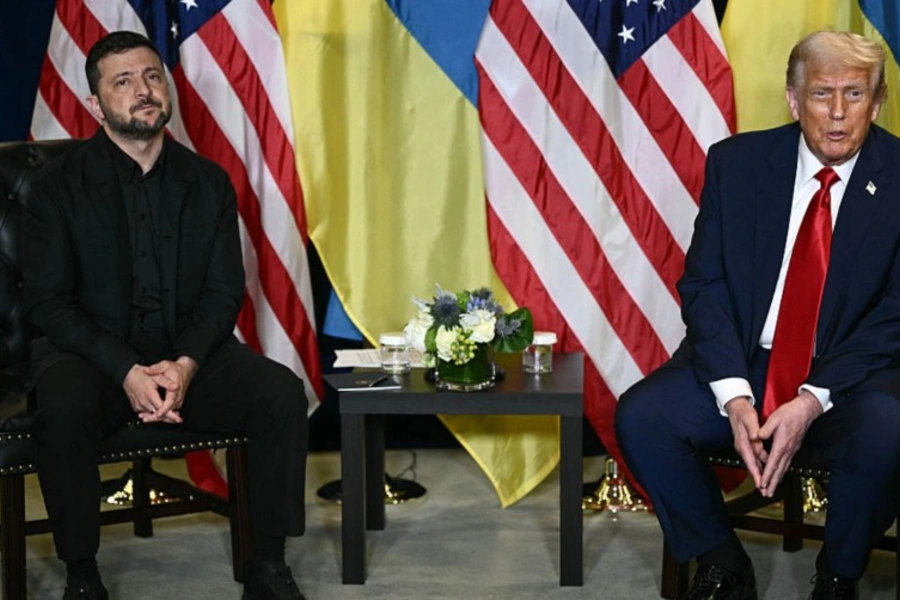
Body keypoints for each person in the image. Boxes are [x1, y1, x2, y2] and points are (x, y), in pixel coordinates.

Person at [21, 31, 309, 600]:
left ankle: (268, 566)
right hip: (93, 358)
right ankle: (82, 575)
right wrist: (128, 371)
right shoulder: (57, 186)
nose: (142, 90)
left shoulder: (207, 181)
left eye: (152, 75)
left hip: (187, 354)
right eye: (122, 81)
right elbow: (48, 302)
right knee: (63, 406)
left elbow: (225, 291)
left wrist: (183, 367)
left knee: (280, 392)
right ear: (95, 104)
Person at [615, 30, 900, 600]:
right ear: (794, 101)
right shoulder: (737, 164)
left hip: (848, 376)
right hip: (743, 360)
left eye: (855, 94)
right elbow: (705, 284)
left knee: (888, 429)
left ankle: (838, 576)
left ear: (879, 99)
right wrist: (734, 394)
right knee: (644, 415)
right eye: (822, 94)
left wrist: (811, 398)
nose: (839, 114)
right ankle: (722, 564)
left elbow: (894, 314)